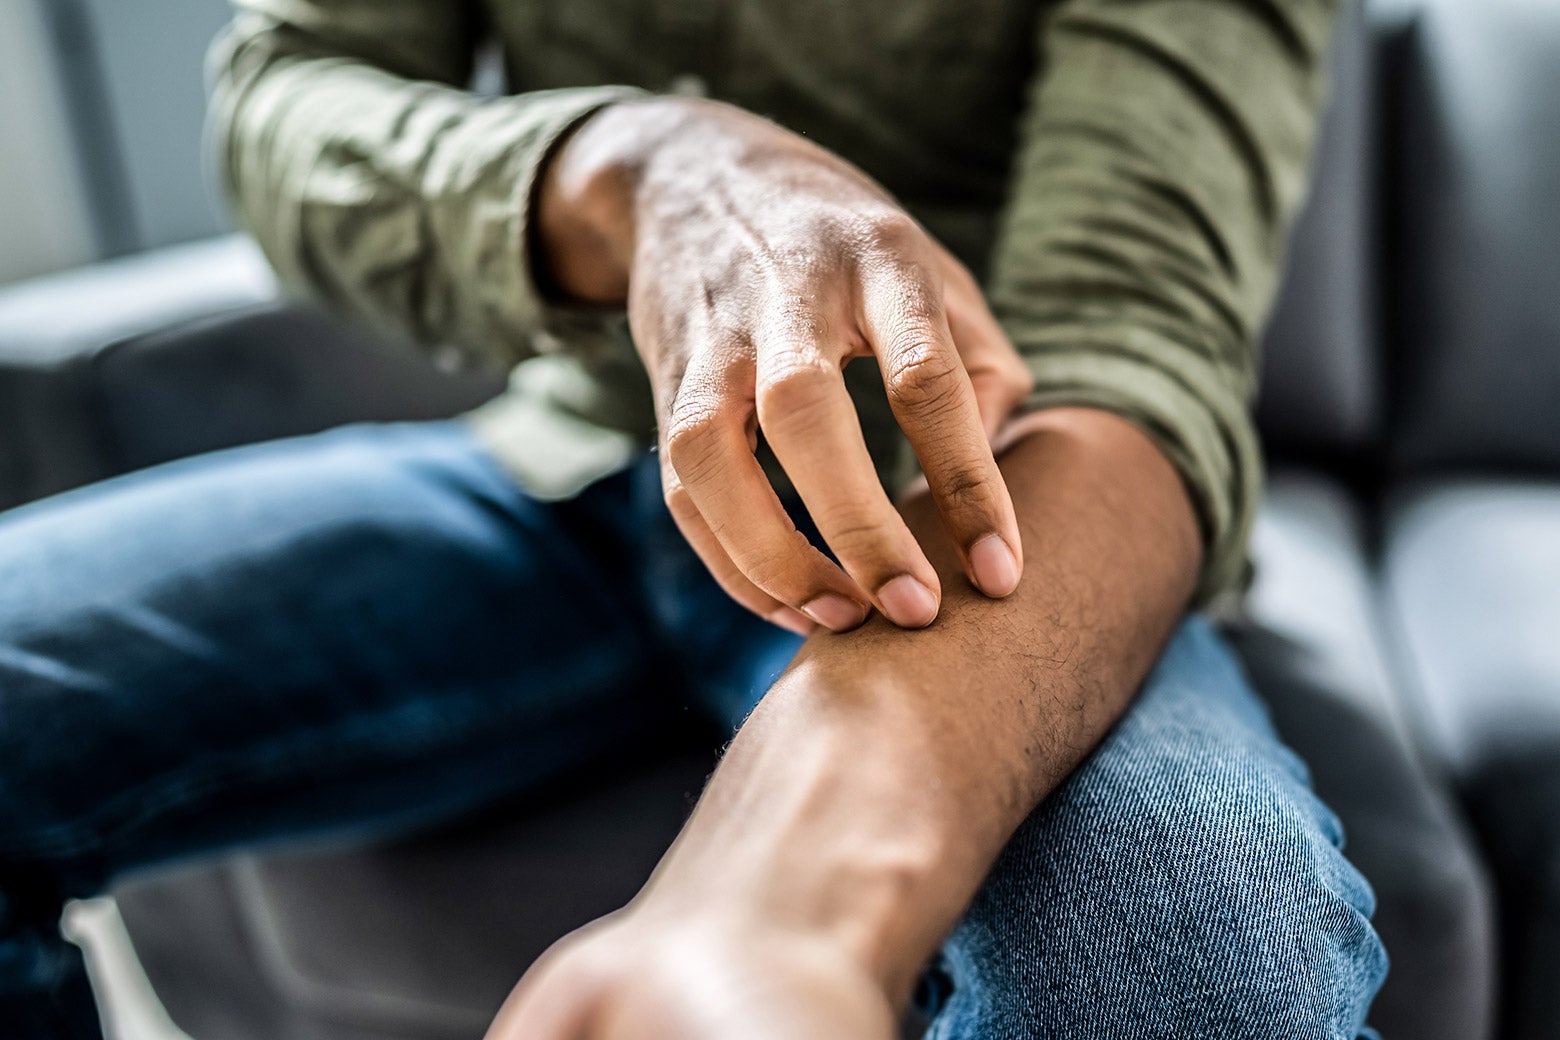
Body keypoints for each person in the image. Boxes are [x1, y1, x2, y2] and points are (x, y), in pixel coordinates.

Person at [0, 0, 1387, 1036]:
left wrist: (787, 905)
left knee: (1195, 960)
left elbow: (1132, 351)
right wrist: (630, 170)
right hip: (568, 470)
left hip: (982, 504)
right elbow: (287, 99)